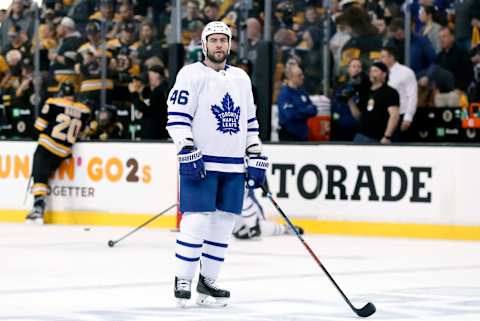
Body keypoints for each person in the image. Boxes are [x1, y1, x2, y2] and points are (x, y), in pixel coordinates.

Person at [166, 21, 268, 308]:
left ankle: (207, 283)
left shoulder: (241, 78)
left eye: (224, 40)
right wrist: (185, 145)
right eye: (214, 40)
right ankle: (183, 279)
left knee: (223, 224)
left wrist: (255, 150)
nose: (220, 45)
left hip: (234, 165)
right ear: (204, 45)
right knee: (197, 220)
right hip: (201, 162)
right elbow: (177, 115)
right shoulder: (190, 74)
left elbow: (250, 121)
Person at [26, 81, 91, 224]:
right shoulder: (84, 110)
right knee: (43, 177)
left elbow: (39, 127)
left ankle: (38, 208)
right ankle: (38, 206)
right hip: (63, 152)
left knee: (39, 177)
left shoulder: (53, 102)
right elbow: (82, 133)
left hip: (46, 147)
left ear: (61, 92)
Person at [348, 61, 400, 144]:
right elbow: (359, 116)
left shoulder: (390, 92)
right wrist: (350, 102)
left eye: (375, 71)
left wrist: (387, 136)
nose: (372, 73)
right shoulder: (365, 92)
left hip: (377, 137)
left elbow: (394, 116)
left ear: (384, 74)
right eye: (370, 71)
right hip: (360, 134)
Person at [233, 185, 304, 240]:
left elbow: (243, 196)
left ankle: (284, 229)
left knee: (259, 227)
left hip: (251, 213)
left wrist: (253, 226)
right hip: (235, 219)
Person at [380, 46, 417, 141]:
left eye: (383, 57)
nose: (380, 59)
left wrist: (408, 117)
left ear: (391, 57)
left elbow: (412, 96)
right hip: (383, 117)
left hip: (400, 116)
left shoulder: (406, 72)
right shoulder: (380, 73)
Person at [277, 65, 318, 141]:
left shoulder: (302, 93)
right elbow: (290, 114)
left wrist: (298, 110)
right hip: (289, 136)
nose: (302, 77)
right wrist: (305, 110)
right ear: (291, 77)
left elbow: (314, 110)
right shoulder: (285, 94)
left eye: (302, 74)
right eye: (299, 75)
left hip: (303, 135)